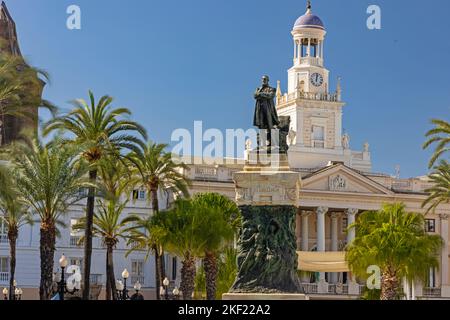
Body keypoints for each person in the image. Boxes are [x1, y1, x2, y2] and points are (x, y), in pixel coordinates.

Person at [253, 75, 280, 148]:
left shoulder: (272, 89)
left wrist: (260, 94)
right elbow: (255, 95)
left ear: (268, 80)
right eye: (262, 79)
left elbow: (270, 96)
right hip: (260, 110)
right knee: (261, 126)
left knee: (270, 125)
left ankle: (273, 142)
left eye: (264, 79)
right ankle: (263, 144)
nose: (263, 80)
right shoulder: (258, 88)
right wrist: (262, 94)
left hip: (268, 110)